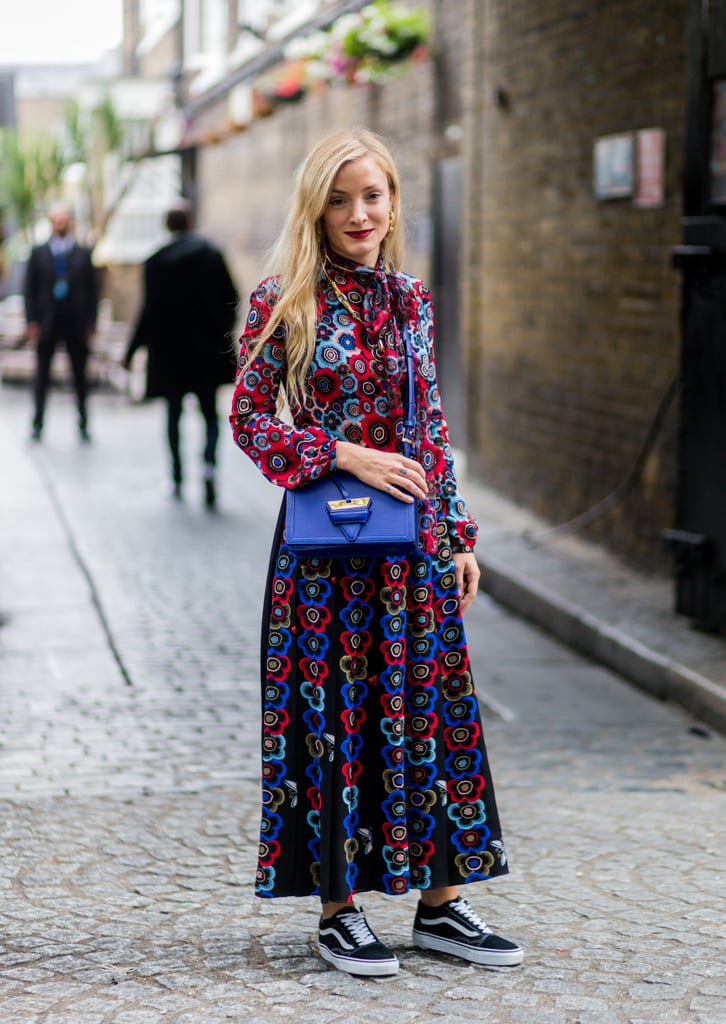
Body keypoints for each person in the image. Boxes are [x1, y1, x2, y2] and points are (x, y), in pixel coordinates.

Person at [230, 128, 523, 977]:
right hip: (324, 563)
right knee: (331, 721)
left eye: (374, 195)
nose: (360, 213)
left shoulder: (410, 301)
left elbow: (430, 429)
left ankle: (439, 903)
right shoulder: (283, 299)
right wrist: (341, 453)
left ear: (394, 202)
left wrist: (458, 533)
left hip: (414, 554)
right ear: (316, 207)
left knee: (431, 708)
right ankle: (337, 910)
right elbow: (250, 422)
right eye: (341, 198)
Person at [124, 201, 239, 507]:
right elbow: (232, 298)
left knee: (173, 415)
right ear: (190, 223)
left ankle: (176, 476)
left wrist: (131, 350)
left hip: (170, 354)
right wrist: (220, 333)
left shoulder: (155, 261)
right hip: (206, 353)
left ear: (167, 226)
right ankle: (209, 467)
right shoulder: (211, 254)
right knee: (209, 414)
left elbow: (147, 312)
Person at [24, 202, 99, 442]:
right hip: (48, 323)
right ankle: (37, 424)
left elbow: (93, 290)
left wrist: (91, 322)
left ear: (70, 222)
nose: (60, 224)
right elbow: (30, 289)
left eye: (63, 219)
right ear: (51, 222)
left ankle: (84, 423)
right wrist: (32, 321)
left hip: (75, 324)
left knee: (80, 377)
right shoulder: (39, 253)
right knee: (42, 376)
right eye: (56, 220)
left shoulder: (82, 253)